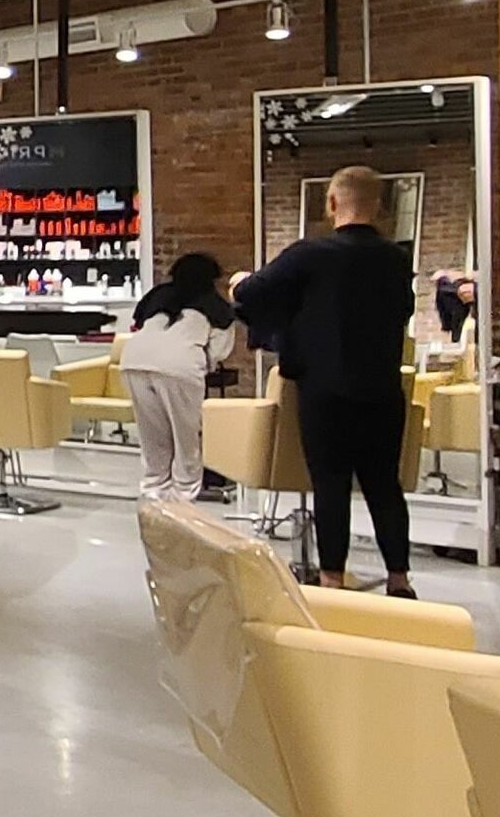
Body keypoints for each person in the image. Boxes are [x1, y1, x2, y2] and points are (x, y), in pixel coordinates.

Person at [235, 164, 421, 594]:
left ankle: (332, 578)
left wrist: (241, 282)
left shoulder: (309, 255)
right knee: (384, 484)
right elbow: (405, 312)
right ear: (380, 207)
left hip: (325, 389)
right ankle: (399, 578)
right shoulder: (396, 260)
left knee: (330, 482)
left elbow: (250, 294)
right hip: (381, 389)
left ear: (332, 203)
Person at [118, 252, 241, 502]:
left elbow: (138, 325)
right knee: (187, 437)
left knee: (152, 436)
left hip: (133, 360)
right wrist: (203, 364)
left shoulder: (157, 296)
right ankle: (184, 495)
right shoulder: (216, 306)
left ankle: (153, 490)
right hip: (179, 366)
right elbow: (218, 351)